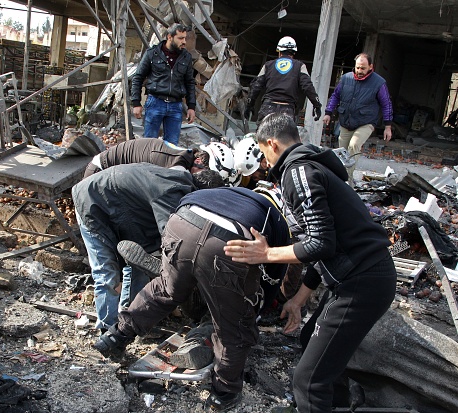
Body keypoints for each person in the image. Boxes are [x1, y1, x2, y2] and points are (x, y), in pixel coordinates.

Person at [224, 113, 396, 413]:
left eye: (263, 152)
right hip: (362, 275)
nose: (264, 162)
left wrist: (266, 254)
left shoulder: (297, 172)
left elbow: (320, 243)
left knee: (308, 380)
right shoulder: (312, 165)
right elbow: (326, 248)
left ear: (272, 145)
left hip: (362, 281)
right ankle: (338, 406)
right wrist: (299, 299)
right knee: (312, 341)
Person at [93, 186, 291, 412]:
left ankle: (115, 336)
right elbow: (274, 277)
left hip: (183, 222)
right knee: (233, 325)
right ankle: (223, 395)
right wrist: (257, 308)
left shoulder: (226, 191)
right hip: (227, 243)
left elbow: (184, 201)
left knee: (166, 289)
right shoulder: (275, 219)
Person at [72, 163, 223, 332]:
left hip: (117, 205)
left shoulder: (179, 181)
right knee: (107, 274)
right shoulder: (172, 191)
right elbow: (171, 236)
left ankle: (130, 323)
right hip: (92, 201)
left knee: (138, 267)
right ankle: (107, 330)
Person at [323, 53, 393, 185]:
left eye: (363, 68)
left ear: (370, 67)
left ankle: (346, 181)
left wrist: (388, 126)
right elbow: (335, 96)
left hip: (366, 122)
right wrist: (328, 112)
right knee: (342, 153)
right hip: (346, 121)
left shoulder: (379, 83)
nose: (359, 71)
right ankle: (339, 180)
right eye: (358, 68)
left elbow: (386, 104)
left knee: (354, 145)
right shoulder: (345, 79)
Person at [130, 23, 197, 145]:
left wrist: (191, 106)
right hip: (155, 102)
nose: (184, 42)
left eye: (185, 38)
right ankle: (146, 164)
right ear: (169, 37)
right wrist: (136, 102)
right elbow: (138, 78)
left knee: (172, 146)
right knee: (148, 144)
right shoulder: (152, 54)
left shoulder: (186, 57)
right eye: (180, 38)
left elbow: (190, 82)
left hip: (176, 105)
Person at [245, 36, 322, 124]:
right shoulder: (300, 66)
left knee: (263, 136)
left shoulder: (268, 65)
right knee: (285, 137)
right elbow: (307, 86)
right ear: (294, 53)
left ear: (279, 51)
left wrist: (249, 104)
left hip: (268, 108)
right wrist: (317, 104)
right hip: (287, 109)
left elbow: (256, 86)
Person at [83, 137, 209, 178]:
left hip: (107, 170)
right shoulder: (177, 168)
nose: (204, 178)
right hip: (99, 172)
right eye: (204, 173)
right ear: (198, 161)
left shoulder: (184, 155)